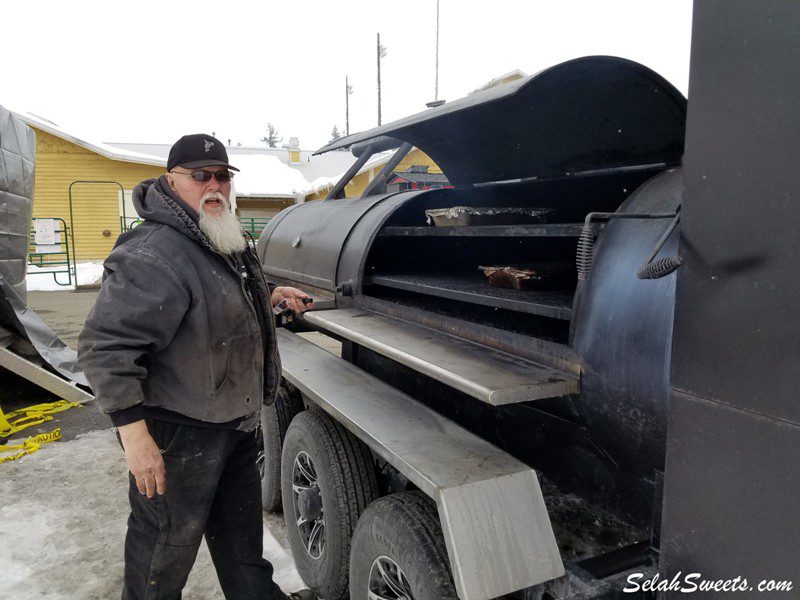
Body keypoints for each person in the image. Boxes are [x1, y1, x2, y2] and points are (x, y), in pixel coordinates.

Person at [78, 134, 316, 600]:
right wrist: (134, 436)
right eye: (199, 175)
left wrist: (269, 298)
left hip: (235, 425)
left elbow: (210, 300)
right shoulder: (154, 251)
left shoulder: (215, 231)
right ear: (171, 181)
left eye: (222, 176)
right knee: (161, 562)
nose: (214, 185)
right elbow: (104, 347)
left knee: (243, 550)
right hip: (178, 437)